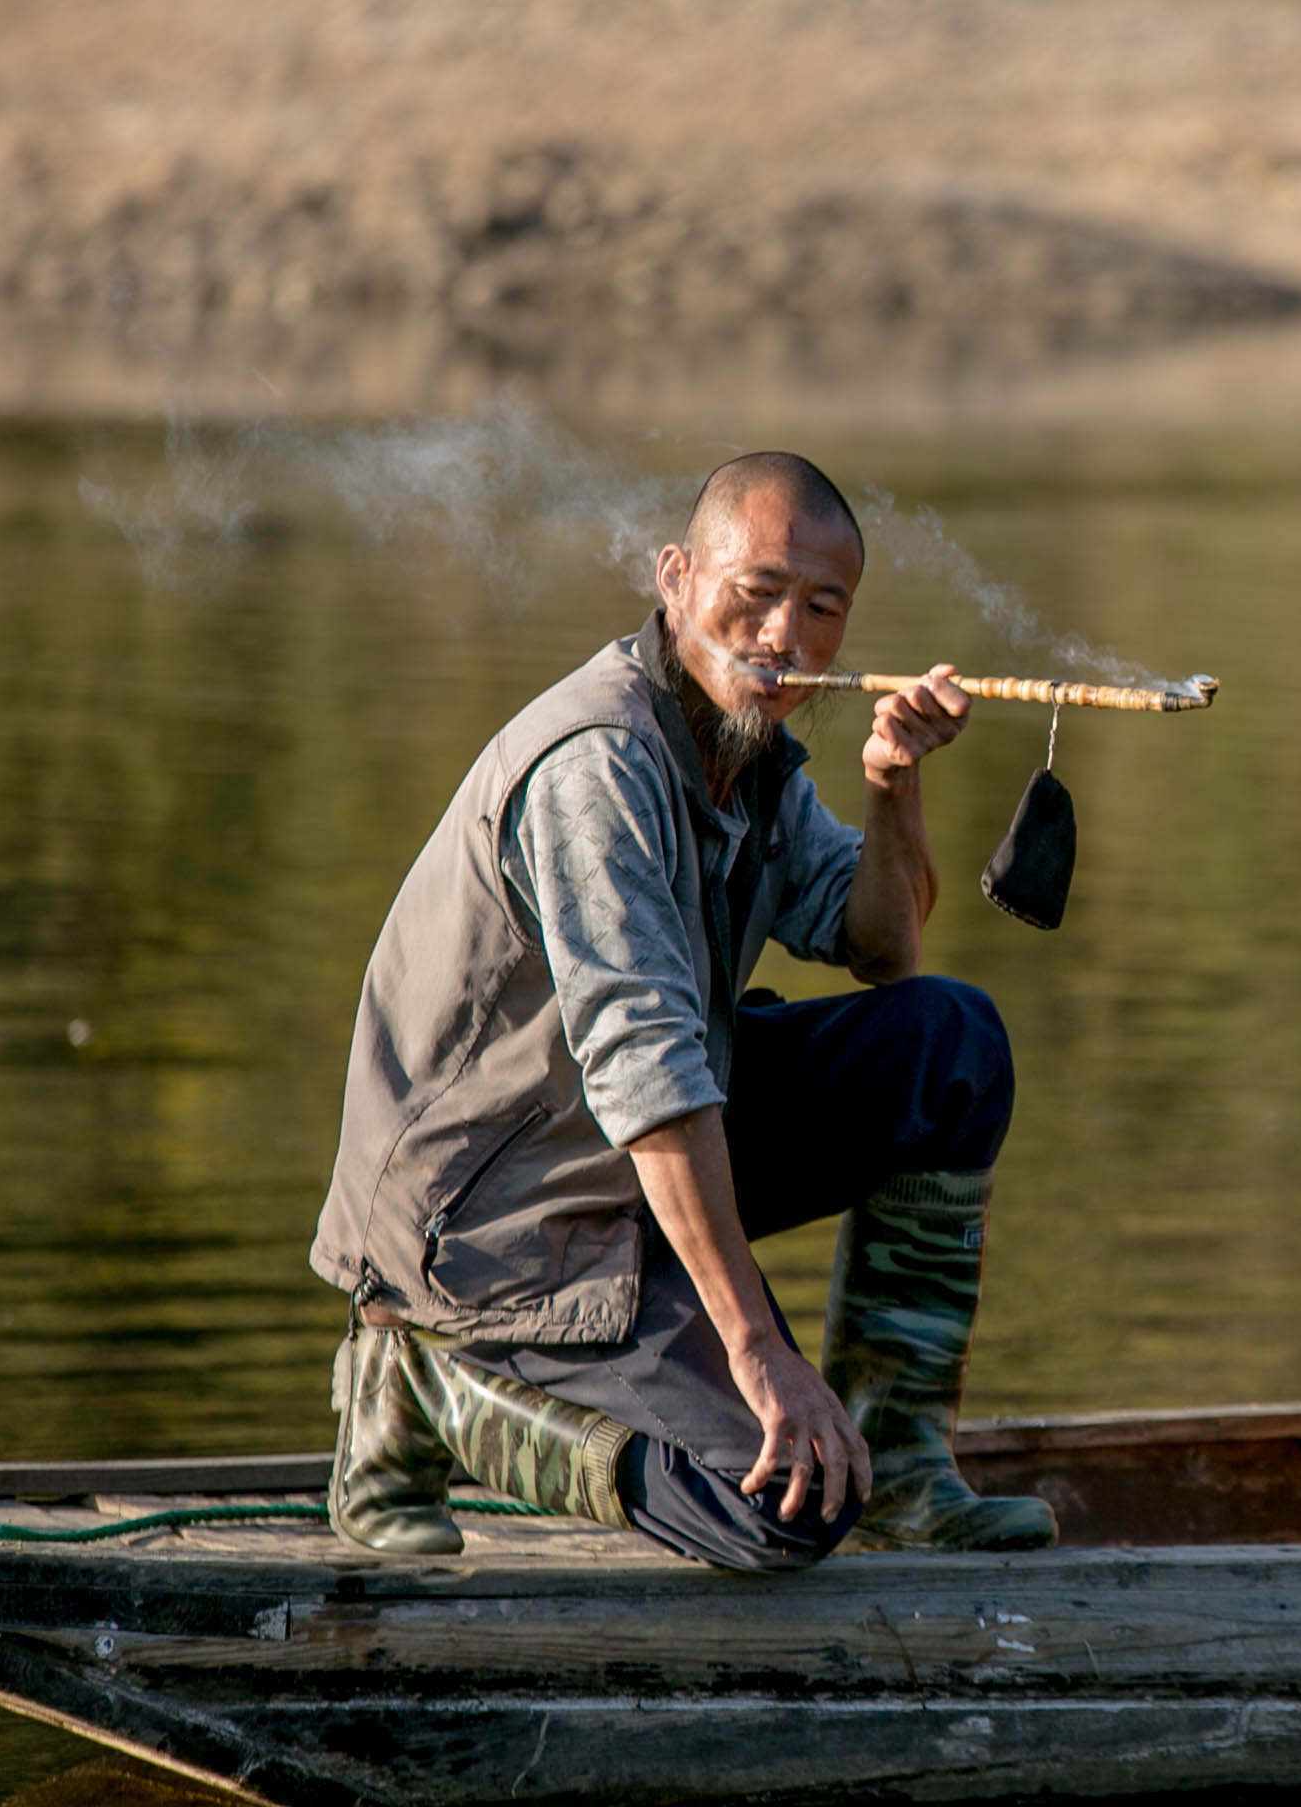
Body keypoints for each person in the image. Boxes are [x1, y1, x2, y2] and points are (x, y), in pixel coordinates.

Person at [307, 451, 1055, 1570]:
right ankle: (422, 1381)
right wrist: (759, 1355)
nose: (783, 638)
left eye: (821, 609)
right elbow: (653, 1085)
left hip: (619, 1174)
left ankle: (900, 1468)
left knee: (947, 1044)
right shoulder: (597, 768)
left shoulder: (747, 753)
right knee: (784, 1510)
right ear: (674, 579)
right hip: (495, 1222)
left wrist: (894, 783)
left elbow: (883, 951)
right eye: (753, 594)